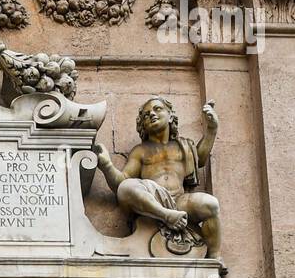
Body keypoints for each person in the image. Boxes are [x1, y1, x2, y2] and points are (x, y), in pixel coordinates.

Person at [94, 95, 221, 259]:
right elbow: (122, 182)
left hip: (180, 200)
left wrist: (211, 129)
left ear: (170, 115)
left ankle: (215, 255)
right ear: (143, 125)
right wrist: (107, 166)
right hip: (152, 198)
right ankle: (166, 215)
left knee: (211, 204)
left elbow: (200, 158)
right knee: (127, 188)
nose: (151, 114)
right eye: (146, 115)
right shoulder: (141, 150)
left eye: (157, 109)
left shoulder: (184, 146)